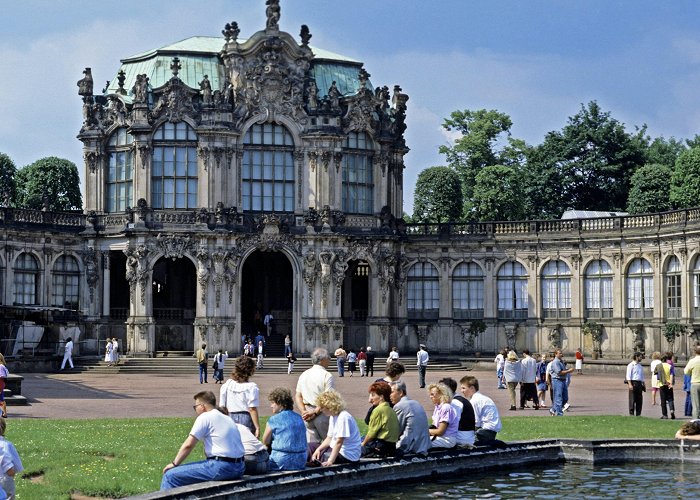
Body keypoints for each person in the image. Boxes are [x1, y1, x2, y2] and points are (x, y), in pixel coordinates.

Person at [160, 391, 245, 490]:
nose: (195, 410)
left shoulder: (205, 417)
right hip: (239, 467)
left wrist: (174, 464)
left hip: (221, 467)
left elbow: (188, 445)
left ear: (202, 406)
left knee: (170, 476)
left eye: (195, 407)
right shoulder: (227, 418)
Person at [295, 348, 335, 444]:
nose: (329, 361)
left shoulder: (304, 374)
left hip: (307, 413)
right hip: (322, 413)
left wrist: (304, 411)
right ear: (322, 360)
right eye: (328, 359)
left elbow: (298, 396)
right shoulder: (327, 375)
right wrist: (315, 413)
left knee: (311, 446)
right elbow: (327, 397)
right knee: (329, 443)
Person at [311, 390, 362, 466]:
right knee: (311, 447)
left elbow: (339, 442)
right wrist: (318, 449)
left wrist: (330, 461)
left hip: (348, 455)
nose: (321, 410)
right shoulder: (333, 416)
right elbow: (329, 438)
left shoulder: (344, 417)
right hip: (339, 450)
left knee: (321, 456)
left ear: (330, 406)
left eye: (322, 407)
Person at [263, 387, 307, 471]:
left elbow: (265, 441)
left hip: (280, 461)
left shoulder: (273, 420)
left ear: (280, 404)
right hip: (301, 461)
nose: (271, 405)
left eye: (273, 403)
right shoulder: (299, 418)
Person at [219, 356, 260, 437]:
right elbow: (252, 409)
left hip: (230, 417)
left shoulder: (227, 385)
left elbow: (222, 406)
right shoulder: (251, 387)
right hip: (246, 418)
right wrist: (257, 427)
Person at [389, 381, 430, 456]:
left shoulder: (399, 406)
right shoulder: (416, 402)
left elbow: (396, 432)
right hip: (423, 444)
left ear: (401, 393)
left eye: (391, 392)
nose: (389, 396)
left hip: (410, 446)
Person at [459, 375, 502, 445]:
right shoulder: (481, 398)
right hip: (490, 431)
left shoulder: (474, 401)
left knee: (461, 440)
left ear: (472, 388)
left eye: (463, 388)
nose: (462, 391)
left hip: (485, 432)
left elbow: (475, 423)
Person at [361, 381, 400, 457]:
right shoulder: (390, 409)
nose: (371, 398)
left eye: (373, 395)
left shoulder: (378, 410)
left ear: (381, 397)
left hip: (380, 447)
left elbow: (372, 433)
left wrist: (363, 444)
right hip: (392, 447)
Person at [440, 377, 475, 447]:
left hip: (462, 438)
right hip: (465, 436)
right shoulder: (459, 400)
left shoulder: (455, 403)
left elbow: (452, 424)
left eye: (439, 390)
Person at [427, 383, 459, 449]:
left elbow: (440, 431)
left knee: (419, 443)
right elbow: (434, 426)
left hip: (447, 439)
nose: (430, 396)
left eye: (432, 394)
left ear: (441, 394)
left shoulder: (446, 407)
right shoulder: (438, 407)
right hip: (440, 437)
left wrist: (424, 431)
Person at [0, 417, 23, 499]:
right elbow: (5, 461)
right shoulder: (4, 445)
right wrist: (11, 472)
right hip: (4, 478)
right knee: (8, 497)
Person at [549, 349, 574, 416]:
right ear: (556, 354)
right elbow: (559, 372)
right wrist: (569, 371)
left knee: (565, 398)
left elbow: (563, 370)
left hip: (563, 380)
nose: (561, 354)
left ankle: (553, 409)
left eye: (561, 353)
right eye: (560, 353)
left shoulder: (561, 361)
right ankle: (559, 414)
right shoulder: (555, 362)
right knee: (558, 397)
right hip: (557, 380)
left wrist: (567, 370)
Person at [655, 354, 675, 419]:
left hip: (662, 384)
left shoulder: (658, 366)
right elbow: (672, 375)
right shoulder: (670, 366)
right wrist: (671, 383)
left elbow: (658, 377)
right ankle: (672, 411)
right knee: (670, 399)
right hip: (669, 384)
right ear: (666, 359)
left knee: (663, 400)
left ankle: (665, 415)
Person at [626, 352, 645, 417]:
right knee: (632, 398)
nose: (641, 358)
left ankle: (638, 413)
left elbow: (642, 376)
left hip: (639, 383)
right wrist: (630, 384)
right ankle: (631, 413)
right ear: (636, 357)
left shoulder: (640, 366)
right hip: (633, 382)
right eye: (640, 357)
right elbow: (628, 376)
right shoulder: (631, 365)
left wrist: (643, 383)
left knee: (639, 399)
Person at [684, 346, 700, 419]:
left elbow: (686, 371)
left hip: (695, 383)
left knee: (695, 405)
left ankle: (696, 422)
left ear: (694, 352)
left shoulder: (692, 361)